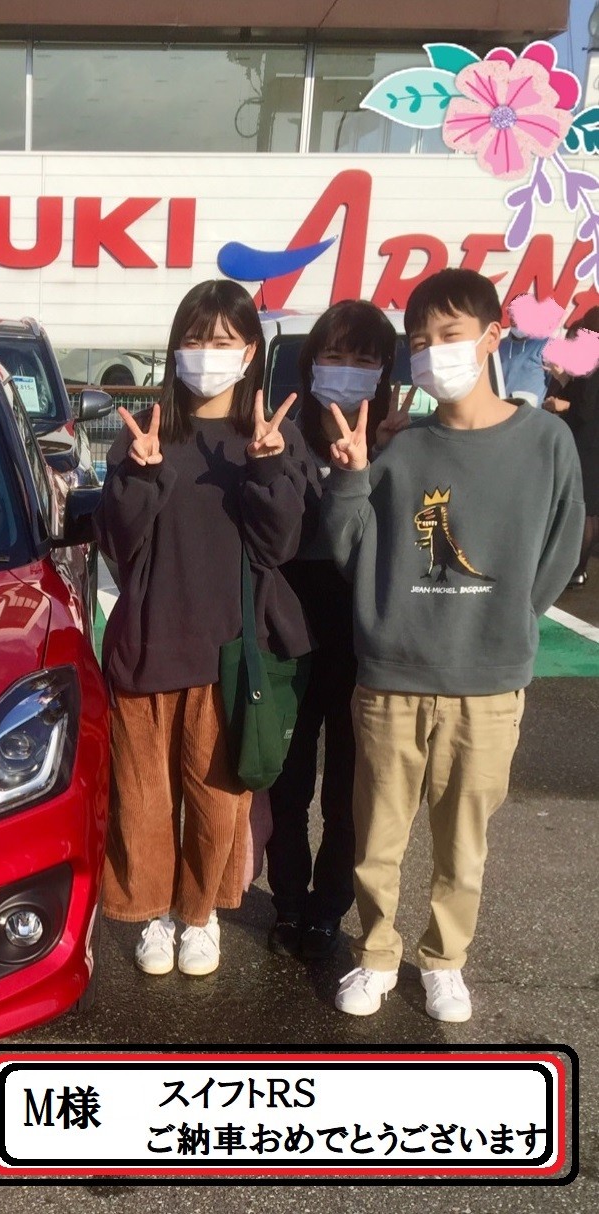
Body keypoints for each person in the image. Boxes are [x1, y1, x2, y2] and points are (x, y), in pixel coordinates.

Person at [321, 268, 585, 1022]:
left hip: (489, 687)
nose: (433, 352)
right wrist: (351, 477)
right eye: (420, 342)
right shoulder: (401, 448)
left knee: (463, 844)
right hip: (391, 680)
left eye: (449, 335)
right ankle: (376, 952)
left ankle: (444, 961)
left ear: (492, 336)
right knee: (377, 838)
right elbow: (351, 551)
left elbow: (561, 547)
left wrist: (510, 619)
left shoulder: (547, 441)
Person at [94, 278, 315, 978]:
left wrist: (268, 467)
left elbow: (278, 546)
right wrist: (139, 476)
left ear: (250, 353)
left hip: (229, 654)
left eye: (223, 341)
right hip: (146, 645)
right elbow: (118, 544)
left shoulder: (268, 439)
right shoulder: (147, 435)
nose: (207, 354)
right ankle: (152, 914)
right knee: (142, 803)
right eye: (194, 339)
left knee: (218, 802)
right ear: (174, 348)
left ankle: (199, 914)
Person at [265, 302, 404, 962]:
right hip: (288, 639)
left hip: (363, 646)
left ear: (385, 371)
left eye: (364, 359)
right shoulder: (281, 439)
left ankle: (328, 909)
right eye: (334, 356)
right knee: (286, 785)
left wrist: (380, 460)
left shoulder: (398, 448)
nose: (347, 370)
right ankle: (289, 901)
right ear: (310, 364)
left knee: (349, 792)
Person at [543, 307, 599, 587]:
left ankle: (577, 569)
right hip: (593, 443)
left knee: (585, 511)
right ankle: (579, 569)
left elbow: (585, 410)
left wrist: (562, 406)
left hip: (587, 444)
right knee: (592, 510)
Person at [499, 326, 550, 407]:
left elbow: (558, 383)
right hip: (502, 409)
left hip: (531, 412)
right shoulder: (499, 345)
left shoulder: (546, 345)